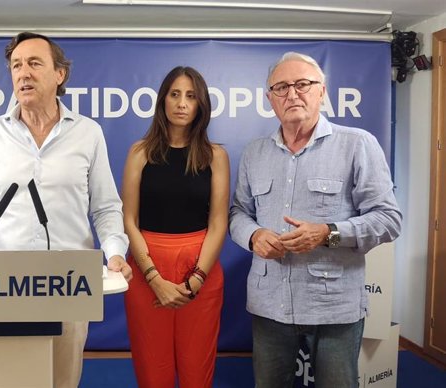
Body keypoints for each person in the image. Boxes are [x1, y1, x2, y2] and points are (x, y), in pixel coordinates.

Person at [0, 32, 132, 388]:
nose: (23, 73)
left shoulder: (88, 134)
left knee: (61, 381)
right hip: (2, 286)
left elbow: (105, 208)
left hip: (70, 284)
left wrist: (116, 253)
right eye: (16, 66)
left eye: (34, 63)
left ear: (60, 75)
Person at [229, 52, 402, 388]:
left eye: (303, 84)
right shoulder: (254, 153)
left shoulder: (358, 144)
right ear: (270, 99)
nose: (292, 94)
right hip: (270, 305)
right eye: (281, 87)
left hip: (334, 307)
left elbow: (389, 219)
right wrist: (253, 236)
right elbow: (238, 213)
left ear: (322, 91)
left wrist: (328, 233)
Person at [122, 66, 229, 388]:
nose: (182, 103)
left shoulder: (215, 155)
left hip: (200, 268)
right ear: (163, 100)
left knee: (197, 370)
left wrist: (196, 279)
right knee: (153, 370)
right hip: (146, 266)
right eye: (175, 94)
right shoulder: (140, 152)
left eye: (191, 96)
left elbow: (218, 222)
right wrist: (154, 278)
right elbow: (129, 220)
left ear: (201, 105)